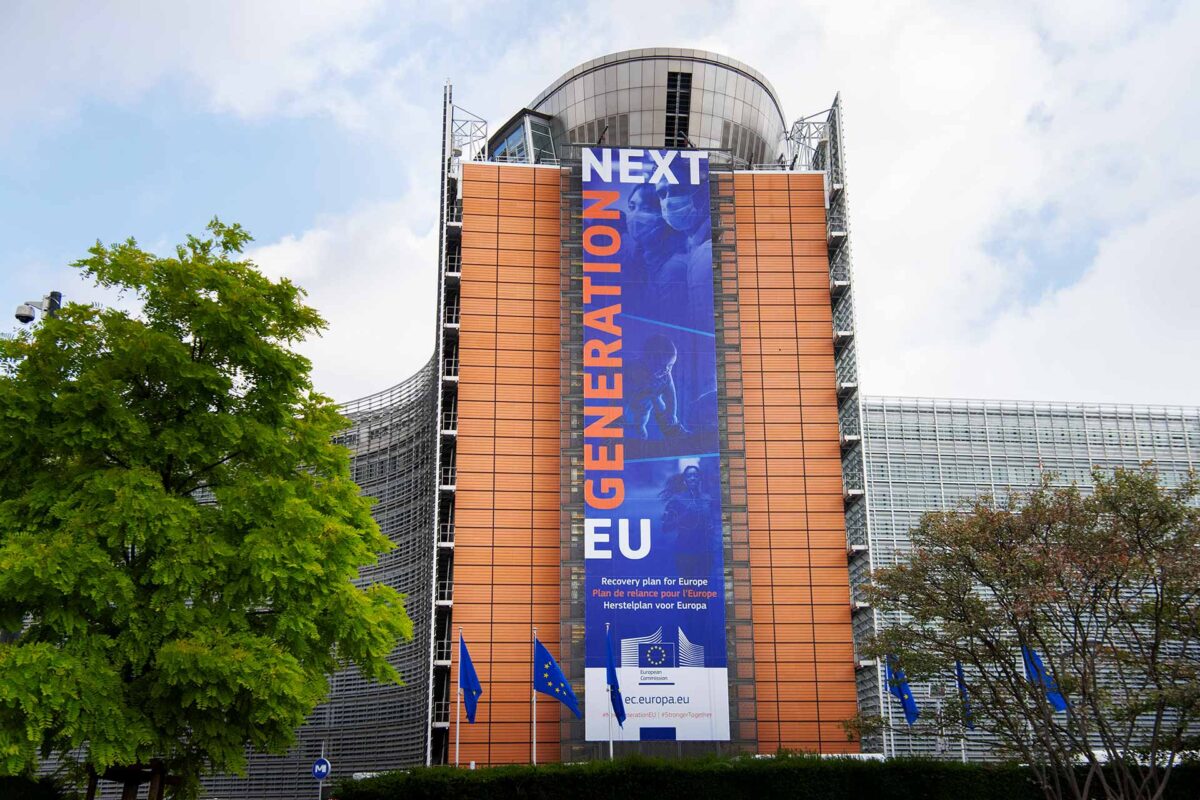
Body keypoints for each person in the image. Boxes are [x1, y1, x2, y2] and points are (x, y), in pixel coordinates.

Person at [655, 178, 714, 329]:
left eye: (679, 190)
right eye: (662, 194)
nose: (668, 202)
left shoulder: (707, 251)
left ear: (701, 193)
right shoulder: (692, 245)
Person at [624, 184, 688, 316]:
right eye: (632, 207)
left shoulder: (674, 267)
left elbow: (670, 324)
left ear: (663, 215)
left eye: (646, 209)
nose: (634, 216)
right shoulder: (642, 257)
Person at [625, 334, 687, 440]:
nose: (666, 369)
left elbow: (671, 396)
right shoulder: (634, 367)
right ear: (645, 358)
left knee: (640, 433)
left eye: (670, 366)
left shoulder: (666, 375)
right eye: (662, 365)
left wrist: (672, 414)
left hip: (642, 416)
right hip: (625, 409)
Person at [659, 465, 718, 575]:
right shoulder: (677, 501)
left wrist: (712, 537)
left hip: (704, 551)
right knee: (687, 587)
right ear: (685, 480)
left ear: (700, 478)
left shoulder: (707, 500)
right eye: (689, 476)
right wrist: (684, 516)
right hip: (684, 550)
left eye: (695, 475)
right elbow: (665, 527)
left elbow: (713, 525)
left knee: (703, 587)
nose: (692, 478)